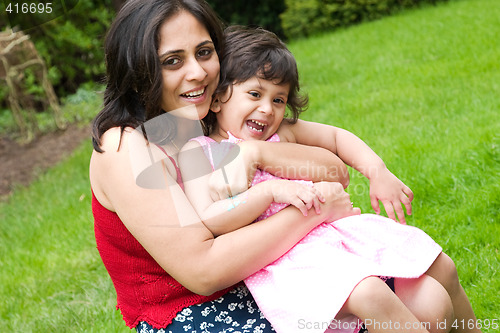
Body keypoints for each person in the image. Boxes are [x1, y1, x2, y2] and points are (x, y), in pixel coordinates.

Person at [179, 25, 481, 333]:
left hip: (339, 235)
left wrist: (377, 171)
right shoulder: (200, 154)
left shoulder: (281, 134)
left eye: (279, 100)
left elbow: (336, 138)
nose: (268, 109)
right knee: (370, 293)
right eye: (255, 94)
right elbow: (211, 218)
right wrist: (269, 192)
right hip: (288, 258)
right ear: (216, 100)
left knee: (440, 269)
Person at [90, 1, 359, 332]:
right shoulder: (124, 144)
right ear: (137, 69)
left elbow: (337, 174)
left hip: (263, 274)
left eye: (204, 52)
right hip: (191, 314)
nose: (199, 72)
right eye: (173, 61)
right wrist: (316, 210)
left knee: (424, 291)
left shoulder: (204, 114)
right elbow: (203, 271)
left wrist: (255, 152)